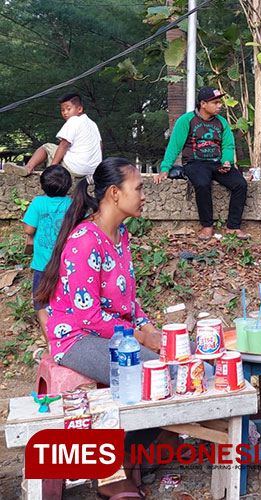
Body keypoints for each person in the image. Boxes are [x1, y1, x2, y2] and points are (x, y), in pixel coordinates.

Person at [35, 157, 175, 499]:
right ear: (114, 193)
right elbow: (89, 316)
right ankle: (110, 472)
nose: (144, 195)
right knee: (150, 375)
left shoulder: (120, 234)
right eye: (139, 188)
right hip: (77, 337)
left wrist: (149, 328)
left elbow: (127, 300)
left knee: (173, 367)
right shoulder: (85, 240)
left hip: (112, 333)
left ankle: (132, 456)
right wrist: (142, 338)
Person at [153, 86, 248, 240]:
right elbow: (174, 146)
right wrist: (165, 168)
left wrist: (227, 162)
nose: (220, 106)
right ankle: (207, 226)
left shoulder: (222, 122)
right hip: (195, 162)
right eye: (215, 102)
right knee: (202, 184)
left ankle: (233, 227)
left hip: (217, 162)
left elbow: (228, 145)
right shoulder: (186, 120)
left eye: (220, 102)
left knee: (240, 184)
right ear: (203, 104)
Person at [3, 93, 102, 178]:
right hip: (93, 170)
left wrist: (51, 169)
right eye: (63, 110)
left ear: (79, 109)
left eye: (68, 109)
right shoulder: (92, 124)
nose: (65, 113)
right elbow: (100, 145)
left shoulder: (74, 120)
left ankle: (28, 168)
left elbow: (64, 145)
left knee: (46, 147)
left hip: (76, 169)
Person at [22, 165, 73, 332]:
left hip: (43, 267)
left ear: (42, 185)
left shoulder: (38, 202)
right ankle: (66, 341)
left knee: (42, 305)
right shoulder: (73, 204)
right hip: (68, 268)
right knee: (67, 305)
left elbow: (29, 230)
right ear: (68, 186)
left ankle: (50, 346)